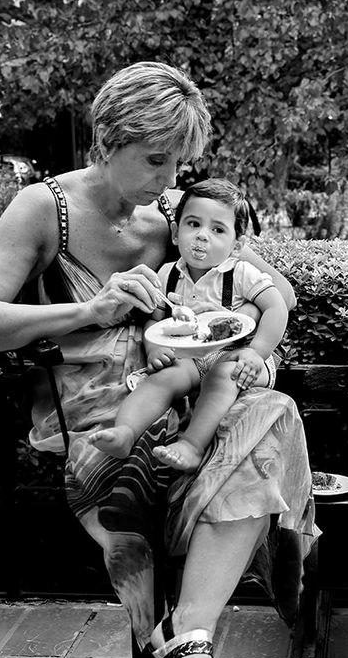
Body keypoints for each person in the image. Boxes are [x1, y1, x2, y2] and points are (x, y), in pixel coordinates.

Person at [0, 62, 314, 658]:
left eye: (179, 163)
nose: (169, 177)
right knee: (255, 436)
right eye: (155, 160)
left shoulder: (172, 214)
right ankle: (170, 635)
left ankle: (188, 634)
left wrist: (232, 247)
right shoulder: (44, 207)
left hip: (180, 396)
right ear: (108, 140)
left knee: (273, 411)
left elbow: (277, 295)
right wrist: (91, 309)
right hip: (90, 411)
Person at [84, 178, 288, 472]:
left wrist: (257, 351)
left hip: (241, 358)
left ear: (237, 245)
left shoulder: (241, 273)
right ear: (176, 234)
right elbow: (156, 321)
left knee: (222, 376)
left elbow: (277, 307)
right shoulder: (168, 274)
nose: (202, 236)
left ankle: (192, 445)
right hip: (193, 360)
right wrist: (155, 349)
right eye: (193, 224)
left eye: (217, 230)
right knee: (162, 379)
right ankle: (125, 432)